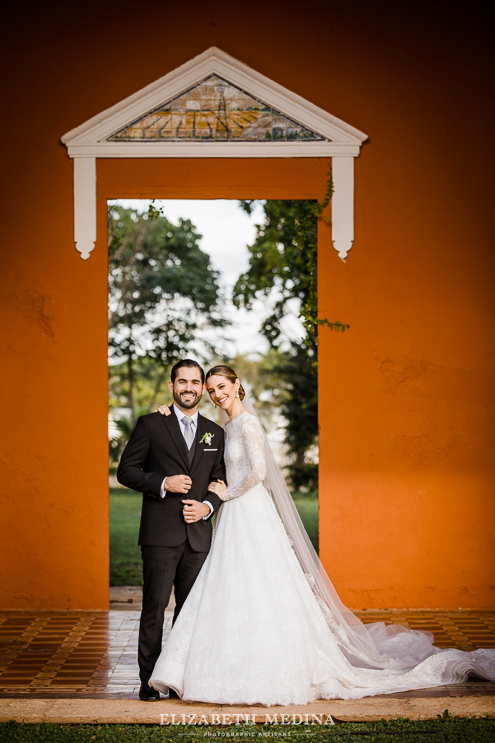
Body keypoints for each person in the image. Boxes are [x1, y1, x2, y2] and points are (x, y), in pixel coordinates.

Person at [149, 364, 495, 705]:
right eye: (211, 390)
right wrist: (167, 414)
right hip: (232, 514)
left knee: (260, 582)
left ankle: (276, 664)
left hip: (249, 509)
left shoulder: (249, 423)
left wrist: (224, 494)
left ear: (237, 385)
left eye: (221, 387)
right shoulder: (223, 426)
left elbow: (258, 472)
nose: (216, 394)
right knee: (230, 582)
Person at [116, 359, 226, 701]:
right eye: (183, 382)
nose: (189, 388)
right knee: (155, 608)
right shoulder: (151, 424)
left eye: (196, 382)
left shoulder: (215, 432)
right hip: (160, 536)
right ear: (172, 386)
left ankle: (178, 676)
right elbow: (126, 471)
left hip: (198, 537)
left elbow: (221, 478)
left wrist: (207, 506)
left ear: (202, 389)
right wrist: (163, 482)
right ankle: (149, 680)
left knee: (190, 611)